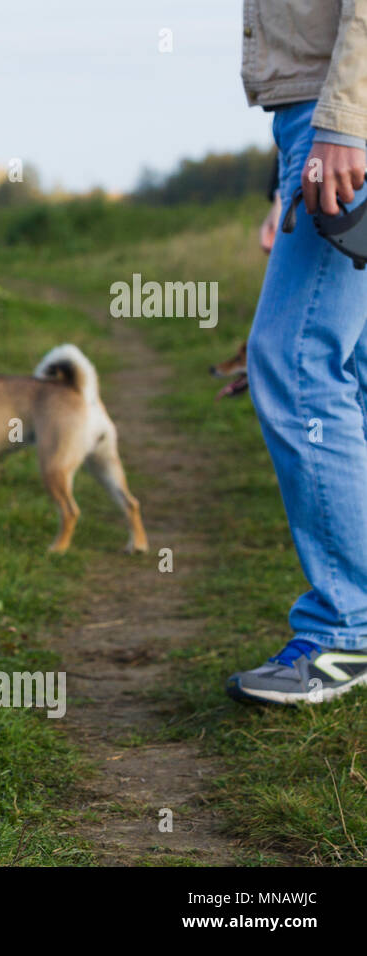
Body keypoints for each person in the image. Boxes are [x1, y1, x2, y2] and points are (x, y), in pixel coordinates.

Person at [229, 1, 367, 703]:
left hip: (341, 121)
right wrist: (294, 168)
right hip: (316, 127)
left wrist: (344, 125)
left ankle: (347, 632)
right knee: (354, 370)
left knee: (297, 361)